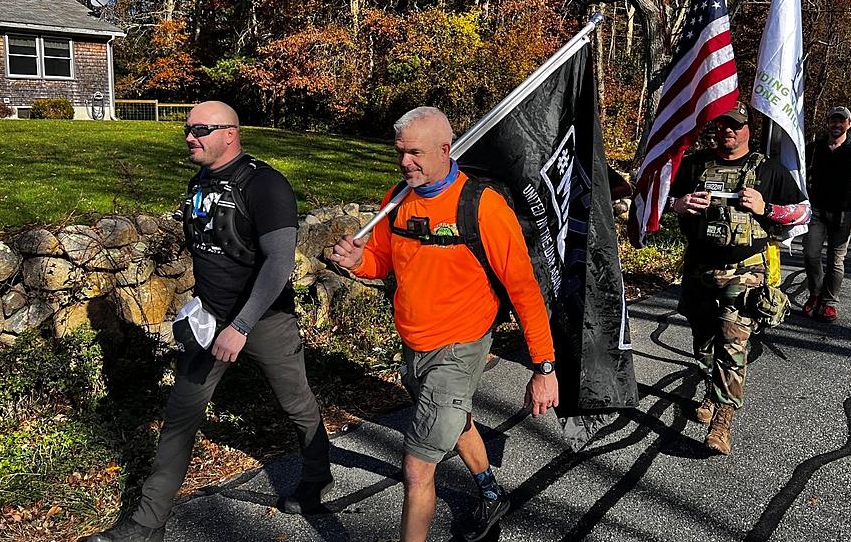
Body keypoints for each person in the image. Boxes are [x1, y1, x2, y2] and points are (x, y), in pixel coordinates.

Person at [88, 101, 332, 542]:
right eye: (187, 128)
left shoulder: (266, 185)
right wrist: (201, 308)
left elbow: (278, 263)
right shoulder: (198, 181)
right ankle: (147, 524)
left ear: (230, 133)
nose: (189, 136)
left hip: (264, 319)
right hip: (209, 320)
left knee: (296, 402)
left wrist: (240, 327)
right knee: (181, 414)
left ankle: (316, 476)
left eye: (200, 129)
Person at [329, 107, 558, 542]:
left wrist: (544, 366)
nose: (404, 163)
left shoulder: (483, 206)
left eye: (414, 153)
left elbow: (524, 289)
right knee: (455, 421)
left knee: (416, 469)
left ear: (444, 150)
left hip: (459, 347)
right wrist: (359, 262)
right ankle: (491, 491)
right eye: (399, 153)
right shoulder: (397, 198)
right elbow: (383, 261)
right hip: (414, 345)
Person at [669, 103, 808, 455]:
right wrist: (679, 204)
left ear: (748, 129)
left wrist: (766, 208)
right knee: (703, 341)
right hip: (700, 267)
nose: (727, 131)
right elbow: (663, 200)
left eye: (735, 125)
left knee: (732, 343)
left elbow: (802, 211)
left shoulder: (768, 170)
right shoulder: (696, 164)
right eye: (721, 124)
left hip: (745, 270)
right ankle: (710, 391)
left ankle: (724, 419)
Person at [802, 106, 851, 322]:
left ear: (849, 124)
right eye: (833, 121)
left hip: (845, 213)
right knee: (810, 253)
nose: (836, 125)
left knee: (836, 259)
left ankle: (829, 302)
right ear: (828, 123)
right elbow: (796, 169)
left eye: (841, 121)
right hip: (816, 210)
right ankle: (815, 293)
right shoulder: (815, 148)